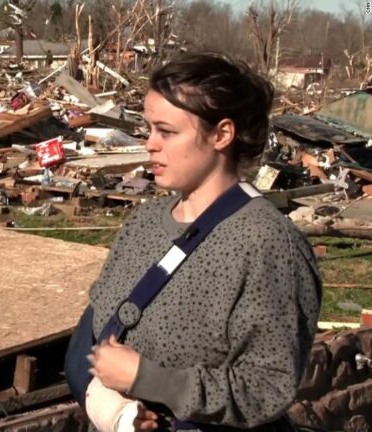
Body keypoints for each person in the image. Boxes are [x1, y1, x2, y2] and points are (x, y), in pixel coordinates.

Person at [79, 52, 322, 431]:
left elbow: (267, 387)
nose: (149, 144)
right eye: (149, 129)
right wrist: (112, 410)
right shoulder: (144, 222)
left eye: (167, 131)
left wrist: (150, 379)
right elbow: (96, 333)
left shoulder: (268, 246)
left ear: (222, 134)